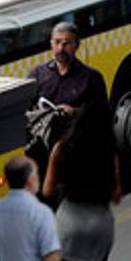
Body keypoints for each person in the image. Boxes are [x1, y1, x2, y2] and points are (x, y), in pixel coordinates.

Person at [42, 100, 120, 261]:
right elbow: (116, 195)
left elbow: (47, 189)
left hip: (70, 221)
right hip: (100, 223)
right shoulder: (109, 151)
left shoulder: (62, 148)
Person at [26, 21, 108, 172]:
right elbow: (25, 110)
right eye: (57, 42)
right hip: (43, 153)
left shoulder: (91, 77)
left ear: (77, 45)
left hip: (77, 151)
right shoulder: (37, 74)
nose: (60, 48)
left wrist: (73, 112)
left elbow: (102, 115)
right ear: (51, 44)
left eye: (66, 43)